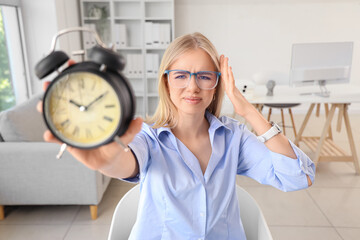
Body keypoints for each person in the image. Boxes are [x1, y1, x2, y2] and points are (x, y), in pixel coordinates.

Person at [38, 32, 315, 239]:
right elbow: (125, 162)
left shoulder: (234, 137)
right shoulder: (148, 137)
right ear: (166, 82)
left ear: (217, 84)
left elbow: (298, 177)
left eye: (204, 76)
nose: (192, 87)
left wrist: (249, 112)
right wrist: (104, 161)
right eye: (181, 75)